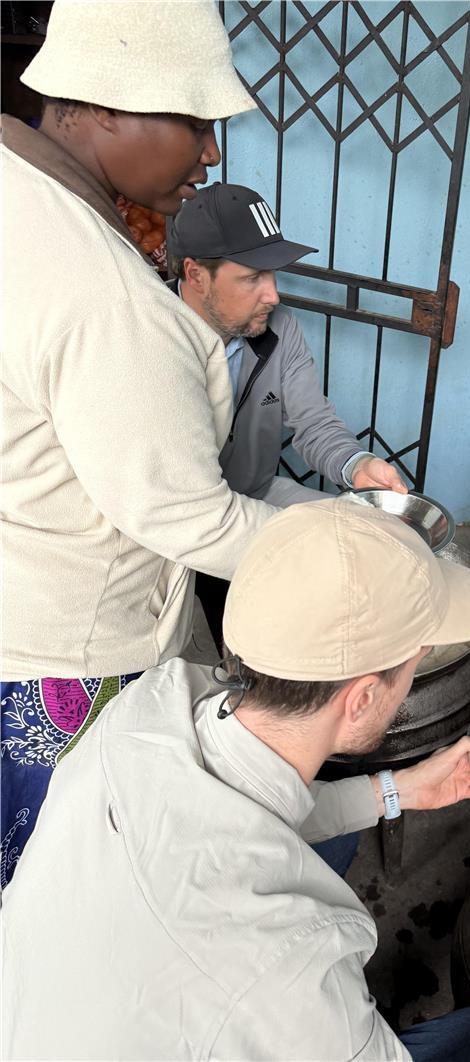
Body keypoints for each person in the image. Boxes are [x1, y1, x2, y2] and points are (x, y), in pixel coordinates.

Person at [2, 499, 470, 1062]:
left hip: (60, 1009)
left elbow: (238, 811)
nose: (413, 675)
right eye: (413, 664)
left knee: (335, 843)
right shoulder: (289, 967)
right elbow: (273, 961)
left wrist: (398, 791)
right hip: (209, 994)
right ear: (360, 699)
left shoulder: (153, 703)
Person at [0, 1, 285, 883]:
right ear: (99, 105)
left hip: (20, 596)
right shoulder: (107, 294)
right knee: (77, 878)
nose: (210, 150)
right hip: (71, 658)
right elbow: (186, 517)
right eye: (195, 120)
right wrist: (344, 546)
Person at [167, 181, 408, 647]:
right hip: (173, 526)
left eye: (274, 274)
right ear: (196, 276)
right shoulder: (150, 336)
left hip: (252, 494)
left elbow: (314, 423)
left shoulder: (279, 330)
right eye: (252, 278)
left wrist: (356, 465)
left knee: (365, 552)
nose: (274, 295)